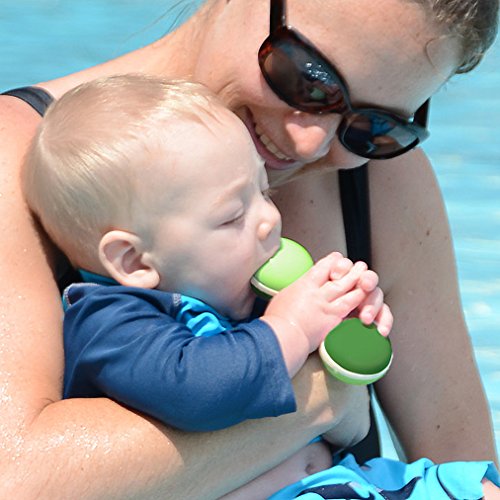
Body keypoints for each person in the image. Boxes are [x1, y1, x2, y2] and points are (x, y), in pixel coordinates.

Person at [0, 0, 498, 497]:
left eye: (376, 126)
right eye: (309, 78)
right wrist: (325, 396)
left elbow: (469, 468)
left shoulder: (380, 180)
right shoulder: (22, 158)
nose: (309, 144)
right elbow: (16, 482)